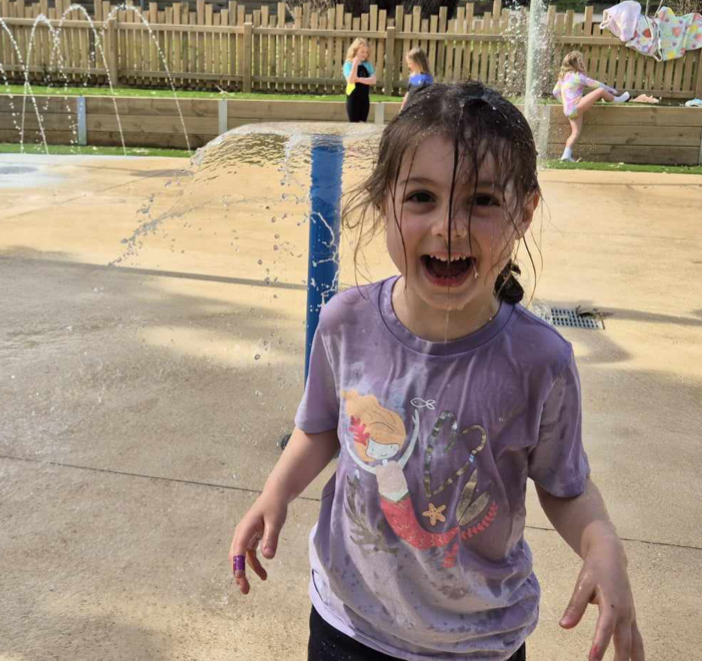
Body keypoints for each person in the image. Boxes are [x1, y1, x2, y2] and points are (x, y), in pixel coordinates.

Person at [229, 82, 644, 661]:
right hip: (348, 622)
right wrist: (274, 493)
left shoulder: (538, 361)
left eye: (481, 201)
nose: (448, 226)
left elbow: (564, 486)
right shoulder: (346, 322)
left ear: (524, 212)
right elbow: (320, 427)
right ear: (384, 203)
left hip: (477, 641)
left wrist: (603, 547)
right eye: (421, 197)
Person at [552, 51, 630, 162]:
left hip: (568, 110)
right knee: (601, 91)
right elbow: (596, 84)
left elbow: (555, 92)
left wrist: (565, 103)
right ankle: (617, 100)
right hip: (575, 107)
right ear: (576, 64)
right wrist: (611, 89)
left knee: (575, 133)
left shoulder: (563, 77)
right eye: (581, 61)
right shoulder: (578, 76)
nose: (583, 63)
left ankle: (566, 155)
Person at [344, 37, 377, 123]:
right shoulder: (348, 65)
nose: (364, 54)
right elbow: (351, 80)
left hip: (364, 99)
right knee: (353, 124)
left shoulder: (367, 65)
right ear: (355, 51)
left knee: (363, 123)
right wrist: (355, 64)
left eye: (366, 52)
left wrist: (358, 79)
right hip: (352, 98)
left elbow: (373, 80)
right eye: (362, 51)